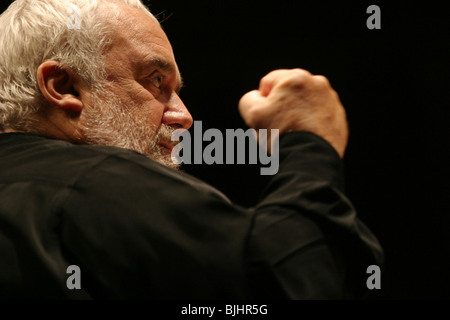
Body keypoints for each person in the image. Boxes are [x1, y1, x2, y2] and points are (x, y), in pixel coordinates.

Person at [0, 0, 383, 299]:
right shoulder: (100, 180)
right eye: (155, 81)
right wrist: (308, 141)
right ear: (64, 86)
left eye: (177, 92)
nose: (185, 117)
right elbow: (292, 281)